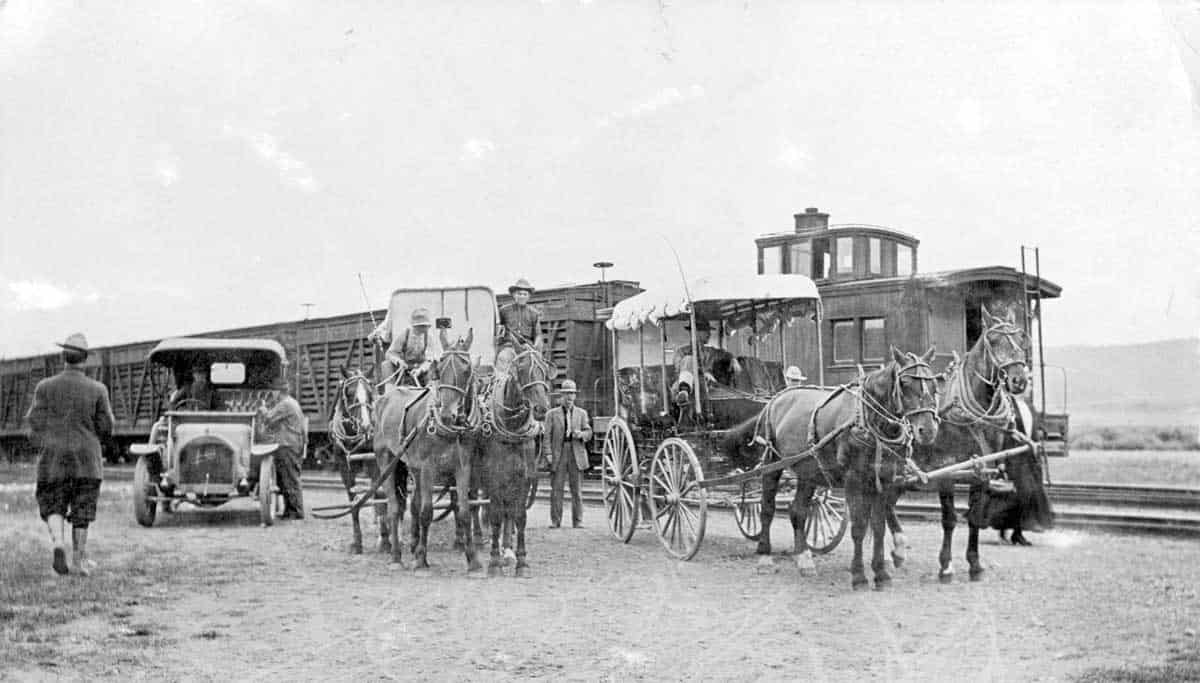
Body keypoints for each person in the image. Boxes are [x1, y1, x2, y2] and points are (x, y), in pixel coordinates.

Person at [25, 332, 115, 576]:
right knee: (82, 511)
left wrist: (44, 444)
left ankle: (57, 543)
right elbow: (107, 427)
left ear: (63, 356)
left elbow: (34, 423)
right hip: (86, 460)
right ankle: (78, 561)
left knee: (54, 504)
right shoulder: (98, 389)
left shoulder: (44, 387)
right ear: (85, 359)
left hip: (53, 459)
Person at [257, 377, 306, 520]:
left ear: (278, 392)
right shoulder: (293, 403)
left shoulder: (285, 405)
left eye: (273, 392)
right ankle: (291, 510)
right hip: (293, 443)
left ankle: (296, 512)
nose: (272, 395)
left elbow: (269, 418)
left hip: (287, 444)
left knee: (289, 478)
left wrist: (263, 409)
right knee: (289, 478)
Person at [545, 379, 591, 529]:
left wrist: (581, 434)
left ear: (575, 396)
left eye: (572, 394)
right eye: (567, 394)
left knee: (576, 490)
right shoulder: (551, 414)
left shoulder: (582, 413)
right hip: (559, 453)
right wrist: (549, 454)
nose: (569, 397)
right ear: (561, 396)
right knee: (556, 490)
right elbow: (547, 437)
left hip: (575, 453)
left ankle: (578, 521)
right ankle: (555, 521)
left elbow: (589, 432)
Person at [369, 308, 434, 387]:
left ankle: (431, 393)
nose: (423, 329)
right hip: (402, 368)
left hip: (420, 369)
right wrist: (399, 361)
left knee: (433, 368)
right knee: (386, 365)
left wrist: (420, 370)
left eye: (425, 326)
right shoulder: (404, 335)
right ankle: (390, 392)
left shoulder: (428, 338)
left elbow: (429, 360)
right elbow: (389, 354)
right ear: (414, 326)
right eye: (420, 326)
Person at [496, 278, 542, 374]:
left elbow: (538, 335)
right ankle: (499, 386)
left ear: (528, 296)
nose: (522, 296)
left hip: (527, 348)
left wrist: (535, 348)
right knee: (503, 358)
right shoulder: (504, 311)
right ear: (514, 295)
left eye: (524, 294)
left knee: (539, 367)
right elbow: (498, 330)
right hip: (509, 346)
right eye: (519, 294)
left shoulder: (534, 313)